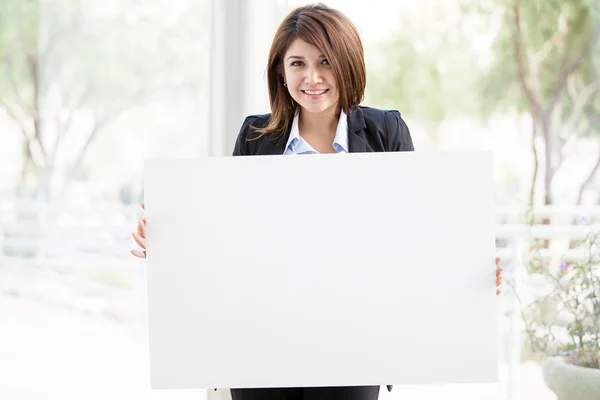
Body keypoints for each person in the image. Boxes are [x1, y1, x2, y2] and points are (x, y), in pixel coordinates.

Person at [132, 3, 503, 400]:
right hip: (262, 340)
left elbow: (414, 232)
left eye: (325, 61)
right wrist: (172, 242)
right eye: (297, 63)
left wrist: (465, 264)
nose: (312, 77)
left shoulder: (385, 132)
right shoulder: (256, 137)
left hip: (355, 340)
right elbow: (231, 235)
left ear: (348, 63)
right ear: (281, 71)